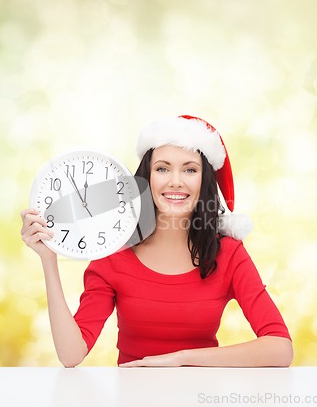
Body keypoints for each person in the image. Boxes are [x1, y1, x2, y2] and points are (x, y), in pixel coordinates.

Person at [20, 115, 293, 368]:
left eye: (189, 170)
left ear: (204, 180)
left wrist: (182, 359)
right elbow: (71, 355)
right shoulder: (114, 253)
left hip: (202, 396)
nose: (175, 182)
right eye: (163, 169)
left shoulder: (229, 254)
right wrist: (49, 257)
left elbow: (280, 348)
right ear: (146, 178)